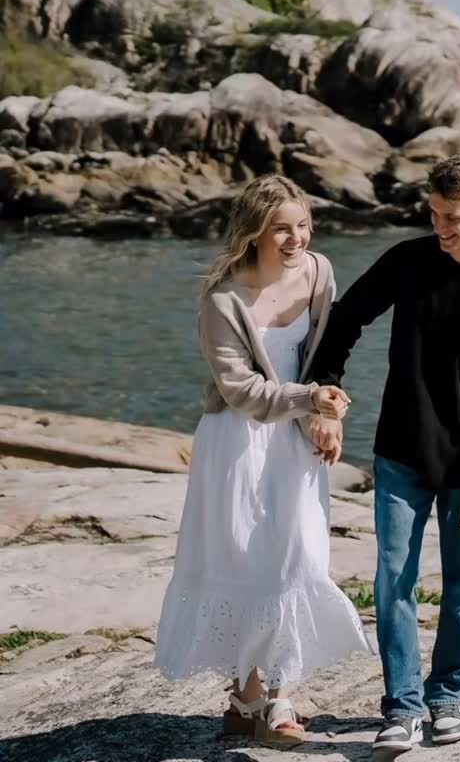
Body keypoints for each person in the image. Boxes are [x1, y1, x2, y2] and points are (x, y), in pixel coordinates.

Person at [309, 153, 460, 749]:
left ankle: (448, 697)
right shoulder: (409, 262)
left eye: (451, 217)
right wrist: (326, 385)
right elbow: (346, 318)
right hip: (402, 451)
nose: (438, 226)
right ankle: (403, 707)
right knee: (393, 580)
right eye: (433, 213)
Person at [155, 175, 371, 748]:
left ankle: (281, 696)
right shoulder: (222, 298)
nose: (296, 238)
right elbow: (240, 390)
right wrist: (310, 400)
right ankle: (247, 699)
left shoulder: (319, 272)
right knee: (247, 566)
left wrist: (328, 414)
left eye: (303, 225)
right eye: (282, 228)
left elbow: (325, 356)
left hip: (294, 442)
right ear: (254, 232)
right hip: (237, 444)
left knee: (299, 560)